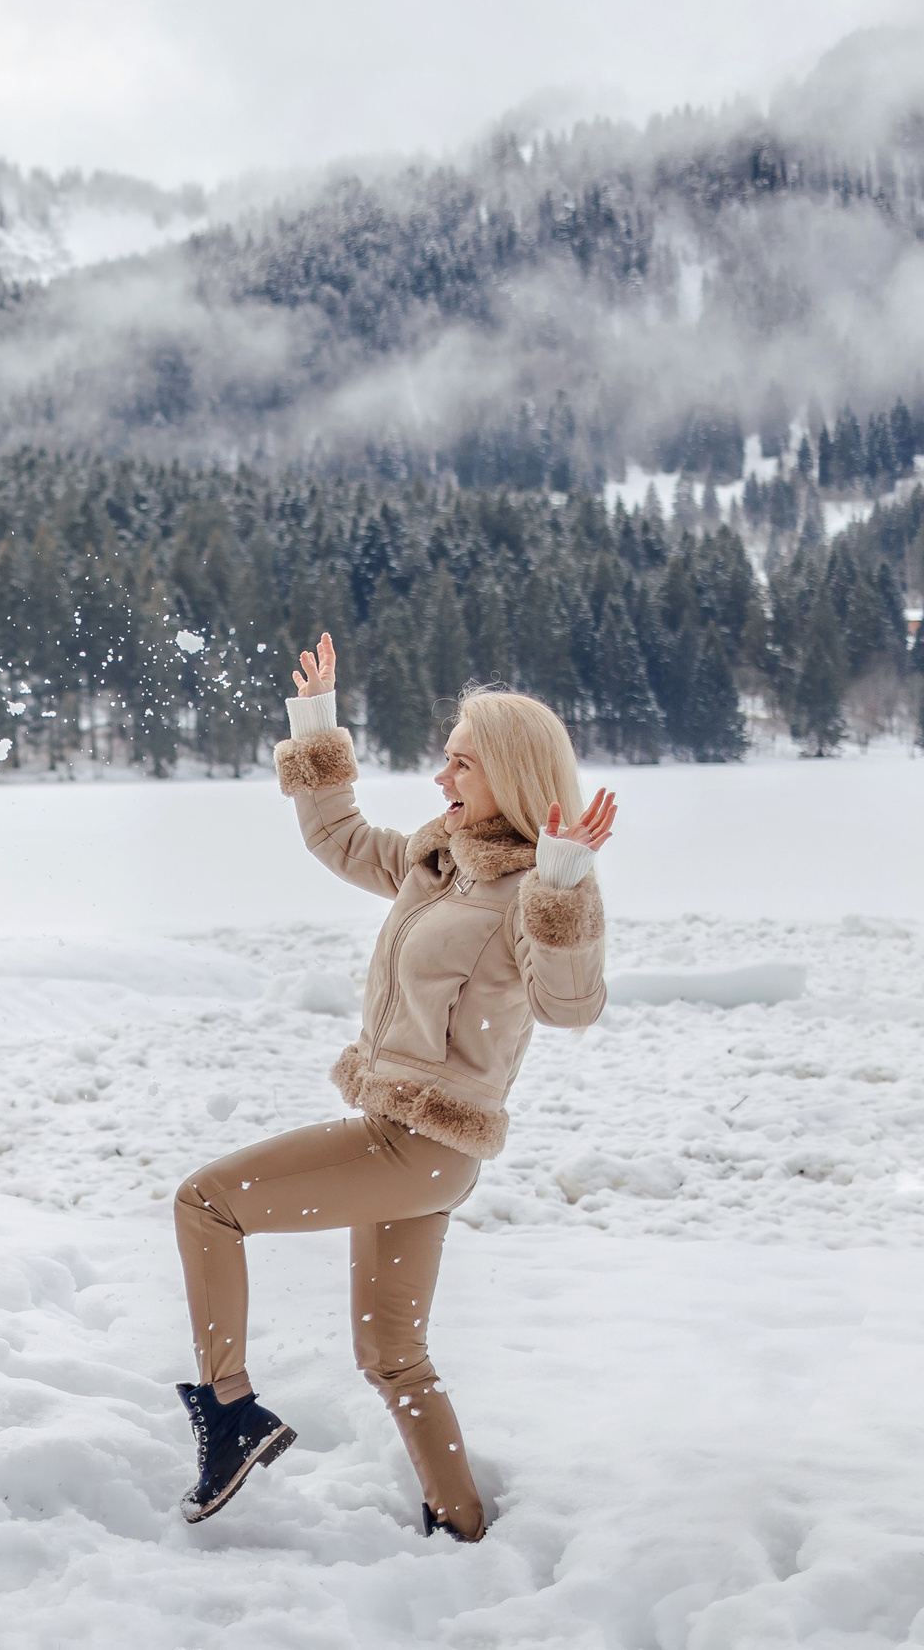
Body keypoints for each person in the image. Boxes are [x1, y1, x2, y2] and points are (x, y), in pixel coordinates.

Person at [169, 633, 613, 1536]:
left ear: (513, 774)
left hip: (416, 1143)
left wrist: (566, 878)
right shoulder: (441, 855)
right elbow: (339, 838)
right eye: (444, 755)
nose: (440, 774)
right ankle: (463, 1527)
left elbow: (570, 1005)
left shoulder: (535, 888)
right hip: (416, 1147)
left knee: (207, 1202)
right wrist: (317, 724)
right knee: (393, 1356)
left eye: (461, 760)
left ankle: (230, 1409)